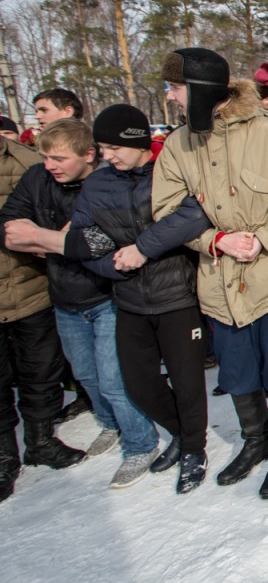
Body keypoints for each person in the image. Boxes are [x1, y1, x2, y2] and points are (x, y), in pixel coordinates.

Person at [153, 48, 268, 500]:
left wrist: (266, 237)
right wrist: (214, 241)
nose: (170, 97)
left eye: (175, 87)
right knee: (237, 367)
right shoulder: (177, 145)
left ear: (199, 89)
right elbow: (166, 211)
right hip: (217, 281)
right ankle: (255, 440)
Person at [0, 119, 161, 488]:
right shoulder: (36, 179)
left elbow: (103, 241)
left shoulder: (107, 182)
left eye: (58, 158)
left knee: (113, 378)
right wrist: (54, 241)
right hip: (64, 297)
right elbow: (8, 223)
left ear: (88, 155)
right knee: (86, 374)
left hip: (107, 296)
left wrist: (42, 238)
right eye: (45, 157)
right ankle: (110, 423)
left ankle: (140, 442)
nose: (49, 165)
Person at [62, 105, 213, 494]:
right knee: (140, 383)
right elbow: (82, 238)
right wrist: (115, 266)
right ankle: (180, 433)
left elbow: (194, 215)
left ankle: (194, 448)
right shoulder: (98, 184)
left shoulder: (168, 172)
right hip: (128, 297)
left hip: (176, 294)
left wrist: (143, 249)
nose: (107, 155)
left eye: (115, 147)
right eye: (102, 148)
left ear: (139, 141)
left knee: (187, 382)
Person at [0, 134, 85, 501]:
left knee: (40, 372)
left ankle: (40, 441)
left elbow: (61, 207)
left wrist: (43, 238)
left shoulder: (26, 160)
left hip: (30, 287)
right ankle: (4, 456)